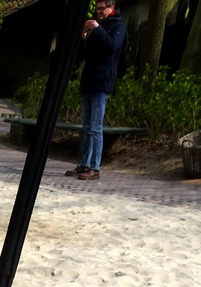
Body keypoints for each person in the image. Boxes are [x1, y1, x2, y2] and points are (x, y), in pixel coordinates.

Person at [65, 0, 126, 182]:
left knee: (95, 129)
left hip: (102, 82)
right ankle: (84, 164)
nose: (98, 12)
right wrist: (83, 37)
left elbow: (112, 46)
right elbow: (83, 55)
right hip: (88, 81)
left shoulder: (118, 25)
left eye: (102, 9)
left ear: (111, 8)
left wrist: (97, 29)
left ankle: (95, 167)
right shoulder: (97, 28)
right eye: (97, 9)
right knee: (85, 128)